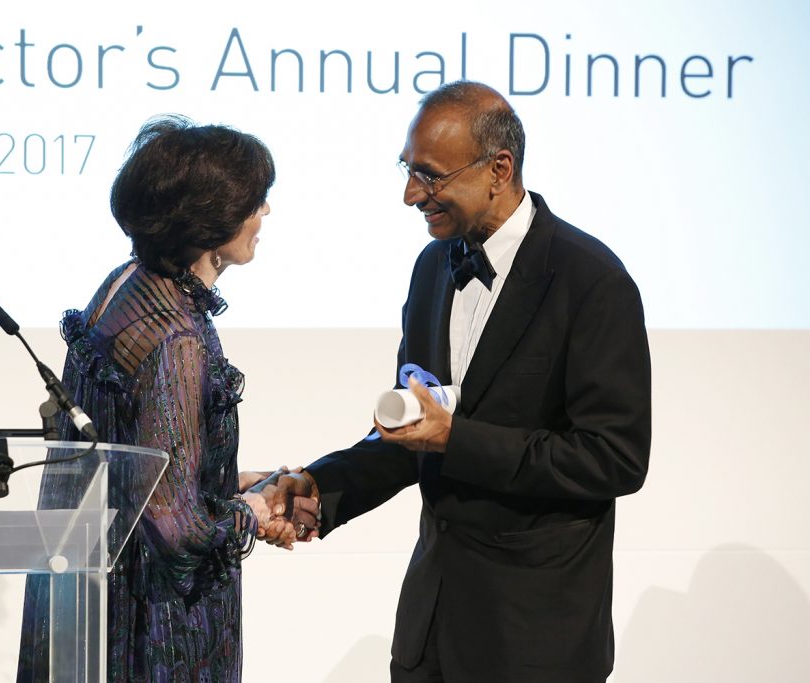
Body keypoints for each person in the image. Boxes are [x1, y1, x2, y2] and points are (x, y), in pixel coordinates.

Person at [277, 81, 652, 681]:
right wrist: (320, 488)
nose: (409, 195)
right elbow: (413, 432)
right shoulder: (432, 268)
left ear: (499, 169)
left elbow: (614, 459)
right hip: (431, 629)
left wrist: (458, 439)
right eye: (407, 169)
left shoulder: (591, 282)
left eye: (429, 176)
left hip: (533, 641)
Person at [17, 115, 318, 683]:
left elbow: (147, 463)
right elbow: (175, 527)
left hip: (87, 601)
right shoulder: (176, 337)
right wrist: (255, 515)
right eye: (257, 200)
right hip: (152, 624)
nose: (265, 213)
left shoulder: (125, 285)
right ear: (211, 219)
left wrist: (252, 480)